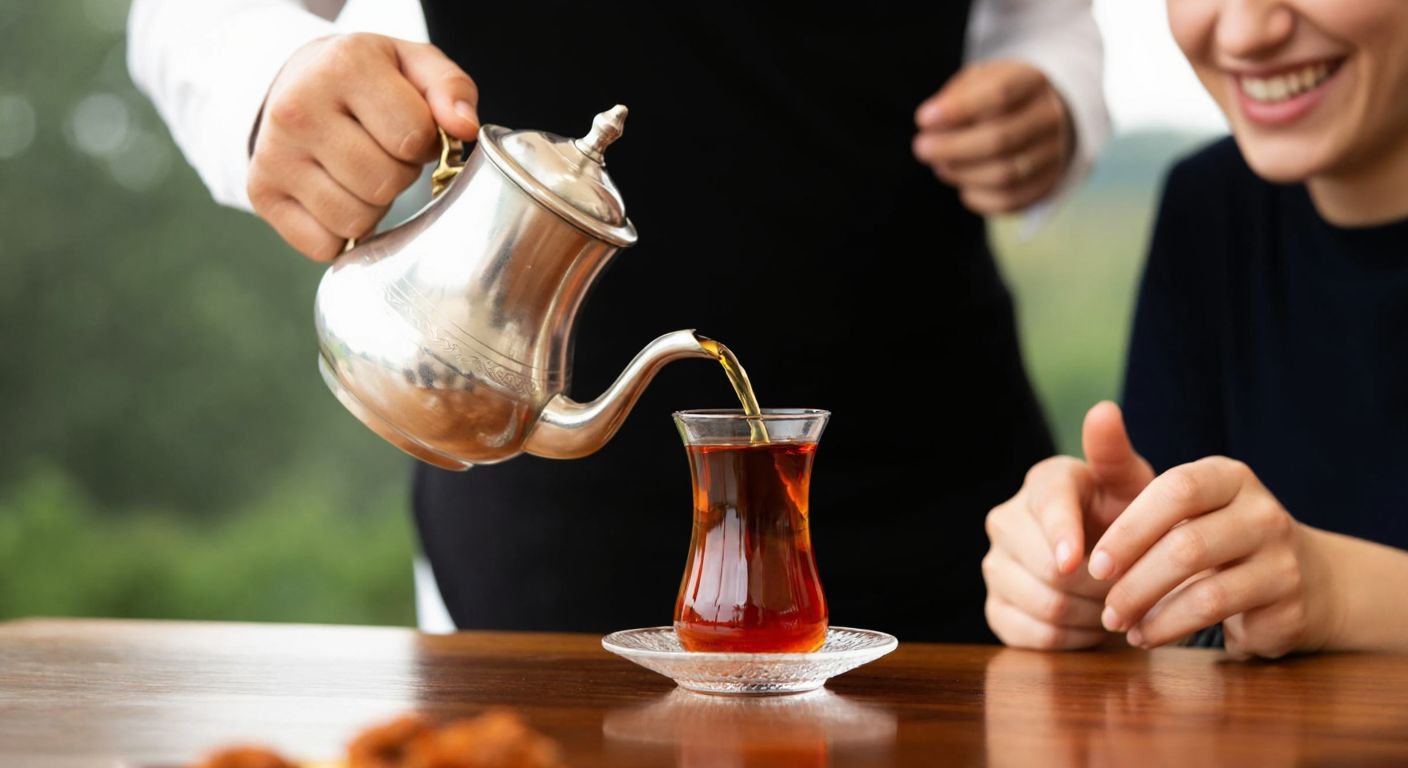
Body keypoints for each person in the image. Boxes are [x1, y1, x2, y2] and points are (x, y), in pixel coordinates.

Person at [129, 0, 1110, 642]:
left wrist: (1052, 95)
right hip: (547, 520)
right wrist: (273, 81)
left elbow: (1042, 23)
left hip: (950, 499)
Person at [983, 0, 1408, 657]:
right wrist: (1110, 578)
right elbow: (1188, 642)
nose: (1244, 31)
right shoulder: (1207, 208)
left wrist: (1339, 594)